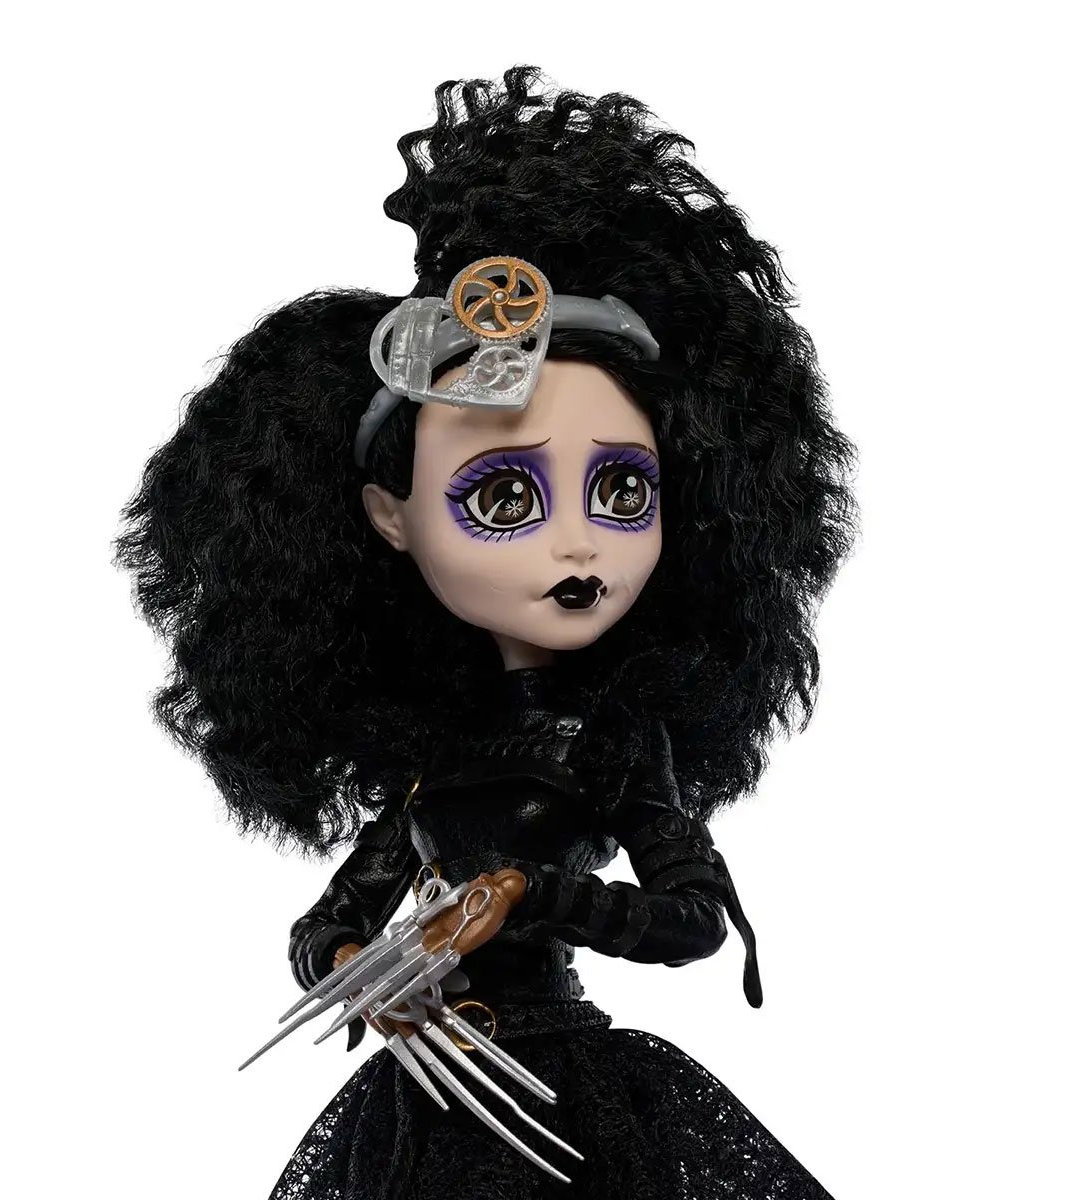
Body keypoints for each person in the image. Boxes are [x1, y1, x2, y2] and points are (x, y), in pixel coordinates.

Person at [119, 65, 855, 1199]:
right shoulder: (432, 761)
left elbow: (694, 921)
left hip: (565, 1088)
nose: (579, 545)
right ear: (390, 517)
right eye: (505, 497)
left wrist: (526, 894)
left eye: (623, 491)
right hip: (438, 1089)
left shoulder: (614, 743)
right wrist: (363, 971)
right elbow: (327, 925)